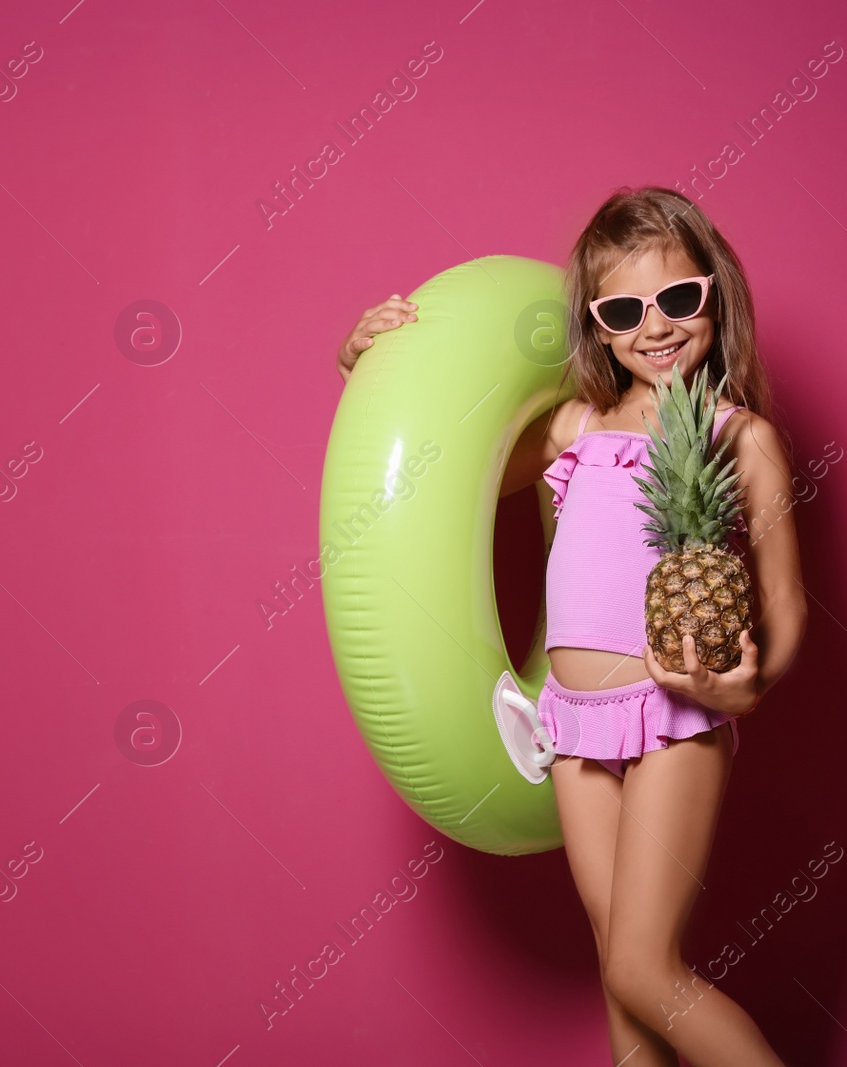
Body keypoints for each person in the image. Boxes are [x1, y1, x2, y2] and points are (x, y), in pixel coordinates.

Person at [334, 186, 806, 1066]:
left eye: (678, 298)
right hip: (574, 726)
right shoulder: (576, 429)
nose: (656, 326)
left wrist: (753, 679)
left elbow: (786, 601)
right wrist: (370, 364)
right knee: (616, 969)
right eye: (625, 308)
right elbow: (445, 468)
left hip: (673, 715)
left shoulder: (742, 438)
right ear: (597, 323)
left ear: (714, 291)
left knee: (642, 966)